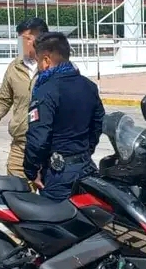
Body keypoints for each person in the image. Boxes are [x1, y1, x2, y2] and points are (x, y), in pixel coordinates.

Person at [24, 32, 105, 201]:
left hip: (59, 175)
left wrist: (31, 171)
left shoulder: (46, 91)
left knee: (54, 217)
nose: (38, 67)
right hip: (86, 168)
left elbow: (38, 138)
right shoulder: (89, 86)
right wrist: (84, 152)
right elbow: (97, 125)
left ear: (46, 60)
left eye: (38, 62)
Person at [0, 18, 48, 180]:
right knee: (17, 192)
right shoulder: (14, 67)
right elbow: (3, 100)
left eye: (26, 39)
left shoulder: (57, 67)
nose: (21, 44)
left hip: (50, 148)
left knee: (51, 194)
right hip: (21, 147)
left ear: (42, 39)